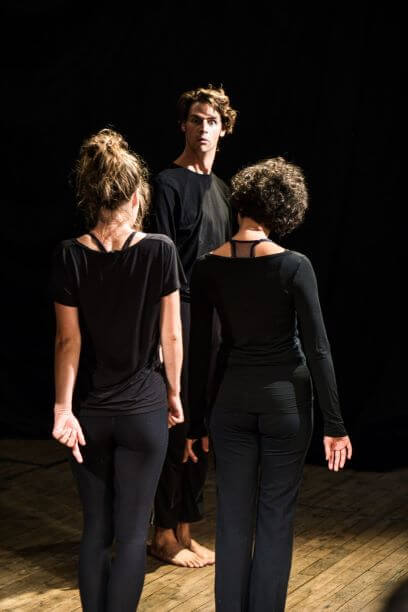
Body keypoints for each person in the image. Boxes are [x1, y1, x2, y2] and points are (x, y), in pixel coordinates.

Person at [185, 157, 353, 611]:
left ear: (239, 203)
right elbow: (318, 348)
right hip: (286, 406)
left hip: (230, 404)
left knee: (233, 518)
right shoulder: (294, 265)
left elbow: (201, 351)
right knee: (276, 516)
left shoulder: (206, 267)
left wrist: (195, 424)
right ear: (283, 209)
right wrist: (335, 424)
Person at [50, 128, 185, 611]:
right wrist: (174, 394)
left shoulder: (70, 254)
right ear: (135, 196)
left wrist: (62, 408)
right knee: (130, 537)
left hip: (90, 415)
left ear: (92, 195)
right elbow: (172, 336)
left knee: (95, 533)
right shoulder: (160, 250)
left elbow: (68, 341)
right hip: (144, 410)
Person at [148, 85, 237, 567]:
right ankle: (162, 532)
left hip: (214, 318)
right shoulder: (167, 184)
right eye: (196, 120)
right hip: (176, 312)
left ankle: (185, 529)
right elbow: (159, 264)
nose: (203, 128)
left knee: (204, 424)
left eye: (212, 121)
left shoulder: (223, 191)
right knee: (175, 420)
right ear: (183, 125)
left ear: (224, 130)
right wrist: (163, 335)